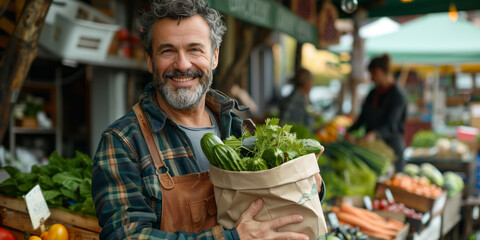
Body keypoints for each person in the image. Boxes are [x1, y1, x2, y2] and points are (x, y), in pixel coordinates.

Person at [91, 0, 324, 239]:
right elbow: (126, 236)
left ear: (214, 57)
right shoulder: (123, 142)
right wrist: (230, 238)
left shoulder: (238, 129)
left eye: (195, 49)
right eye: (167, 50)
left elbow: (268, 210)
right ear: (150, 61)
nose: (182, 65)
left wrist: (306, 189)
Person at [345, 54, 407, 172]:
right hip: (371, 150)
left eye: (371, 75)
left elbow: (392, 125)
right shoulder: (373, 93)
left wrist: (375, 134)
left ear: (378, 72)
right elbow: (362, 118)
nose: (371, 79)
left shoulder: (397, 95)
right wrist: (350, 131)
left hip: (391, 149)